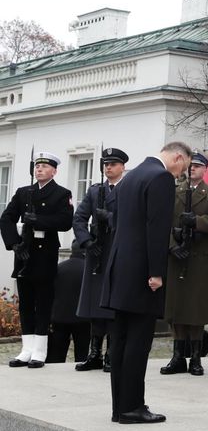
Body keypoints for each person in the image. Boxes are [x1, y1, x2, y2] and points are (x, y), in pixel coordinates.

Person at [100, 141, 192, 424]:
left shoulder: (131, 177)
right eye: (183, 169)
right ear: (177, 157)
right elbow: (157, 228)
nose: (180, 175)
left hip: (120, 269)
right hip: (141, 272)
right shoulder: (160, 177)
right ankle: (133, 407)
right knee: (138, 342)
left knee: (121, 341)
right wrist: (156, 272)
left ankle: (120, 408)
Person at [0, 152, 74, 368]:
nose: (39, 169)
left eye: (44, 166)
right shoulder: (24, 193)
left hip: (45, 254)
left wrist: (39, 220)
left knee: (43, 303)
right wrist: (14, 244)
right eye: (37, 166)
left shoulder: (61, 193)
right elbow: (6, 218)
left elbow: (65, 221)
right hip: (24, 252)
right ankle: (26, 349)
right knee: (25, 303)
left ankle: (40, 351)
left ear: (54, 171)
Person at [161, 151, 208, 377]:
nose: (193, 169)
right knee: (176, 307)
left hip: (199, 256)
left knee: (196, 309)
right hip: (177, 255)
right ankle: (178, 356)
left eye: (198, 166)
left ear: (205, 169)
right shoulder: (173, 192)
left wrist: (197, 222)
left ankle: (196, 358)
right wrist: (173, 243)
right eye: (191, 166)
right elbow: (162, 222)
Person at [73, 147, 128, 372]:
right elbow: (79, 218)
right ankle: (94, 353)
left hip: (117, 252)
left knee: (113, 306)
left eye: (113, 164)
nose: (108, 167)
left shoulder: (128, 189)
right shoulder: (95, 191)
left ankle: (110, 354)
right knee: (95, 304)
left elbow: (132, 220)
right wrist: (86, 242)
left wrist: (111, 218)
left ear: (123, 166)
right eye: (106, 164)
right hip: (96, 253)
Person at [46, 242, 90, 364]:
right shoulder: (89, 270)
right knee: (82, 356)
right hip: (83, 318)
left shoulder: (59, 268)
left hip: (59, 317)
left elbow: (50, 294)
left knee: (56, 357)